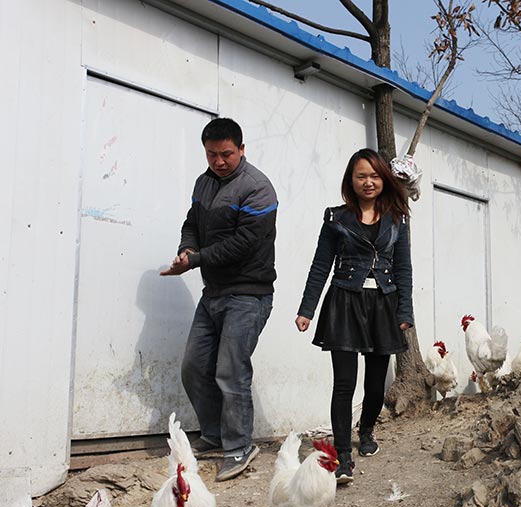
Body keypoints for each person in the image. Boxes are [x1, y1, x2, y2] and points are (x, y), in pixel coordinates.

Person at [161, 117, 277, 482]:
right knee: (194, 367)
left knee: (231, 370)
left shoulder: (258, 188)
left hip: (248, 294)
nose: (219, 161)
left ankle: (240, 446)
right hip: (213, 293)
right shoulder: (204, 182)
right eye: (212, 154)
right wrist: (187, 248)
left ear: (241, 149)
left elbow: (243, 244)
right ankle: (214, 435)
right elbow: (191, 223)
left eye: (226, 154)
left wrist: (195, 260)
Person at [295, 148, 413, 484]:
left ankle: (367, 429)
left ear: (384, 179)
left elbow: (403, 269)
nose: (368, 182)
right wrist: (307, 309)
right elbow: (320, 266)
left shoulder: (397, 219)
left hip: (383, 305)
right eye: (361, 176)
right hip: (344, 302)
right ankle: (343, 456)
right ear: (351, 180)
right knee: (344, 384)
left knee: (375, 387)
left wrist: (405, 311)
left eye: (374, 176)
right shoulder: (336, 219)